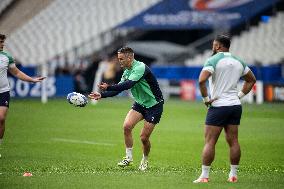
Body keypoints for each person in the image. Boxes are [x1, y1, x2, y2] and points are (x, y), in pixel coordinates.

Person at [88, 47, 164, 171]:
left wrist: (108, 88)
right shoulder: (126, 71)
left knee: (144, 138)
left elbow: (128, 85)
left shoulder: (140, 68)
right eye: (119, 59)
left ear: (130, 57)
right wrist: (102, 95)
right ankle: (128, 158)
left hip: (154, 105)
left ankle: (145, 160)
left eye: (121, 59)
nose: (119, 61)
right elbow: (120, 89)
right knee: (127, 126)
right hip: (140, 104)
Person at [193, 34, 256, 183]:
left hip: (218, 106)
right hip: (235, 106)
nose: (213, 47)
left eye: (213, 45)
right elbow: (251, 80)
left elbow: (201, 80)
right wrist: (239, 95)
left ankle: (204, 176)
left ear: (217, 46)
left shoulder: (213, 60)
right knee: (234, 141)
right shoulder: (238, 61)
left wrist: (206, 100)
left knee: (210, 142)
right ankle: (233, 175)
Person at [0, 34, 46, 158]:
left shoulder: (6, 57)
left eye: (3, 42)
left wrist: (32, 80)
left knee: (1, 119)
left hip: (3, 92)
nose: (2, 44)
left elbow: (16, 72)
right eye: (0, 42)